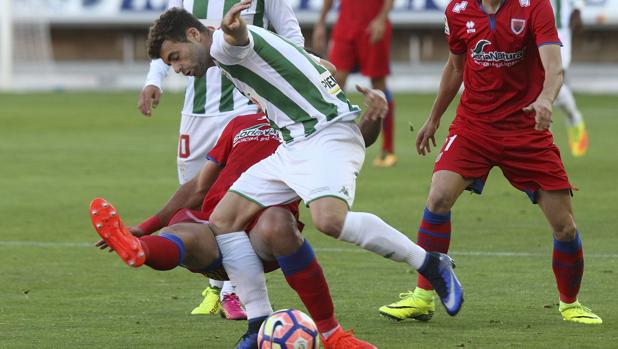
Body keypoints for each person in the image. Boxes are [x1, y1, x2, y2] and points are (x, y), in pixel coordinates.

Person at [146, 4, 464, 346]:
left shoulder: (224, 46)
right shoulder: (233, 57)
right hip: (293, 143)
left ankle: (430, 263)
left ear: (195, 34)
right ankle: (258, 323)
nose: (177, 68)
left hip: (326, 134)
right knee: (224, 219)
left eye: (175, 56)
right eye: (170, 64)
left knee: (329, 221)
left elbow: (237, 39)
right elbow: (312, 63)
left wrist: (233, 29)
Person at [378, 0, 602, 325]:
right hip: (474, 126)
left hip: (526, 129)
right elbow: (456, 67)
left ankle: (570, 304)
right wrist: (434, 118)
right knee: (439, 196)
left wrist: (545, 99)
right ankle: (423, 297)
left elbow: (554, 68)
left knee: (564, 227)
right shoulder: (457, 10)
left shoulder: (534, 7)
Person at [92, 106, 387, 348]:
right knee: (180, 233)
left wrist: (373, 117)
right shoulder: (240, 122)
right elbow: (198, 186)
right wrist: (145, 228)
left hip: (263, 236)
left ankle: (329, 332)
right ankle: (139, 249)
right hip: (217, 227)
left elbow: (357, 138)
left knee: (276, 222)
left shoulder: (310, 128)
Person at [137, 0, 305, 319]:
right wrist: (154, 80)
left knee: (239, 199)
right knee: (198, 198)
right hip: (197, 112)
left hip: (246, 106)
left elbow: (290, 32)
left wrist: (285, 83)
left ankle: (235, 293)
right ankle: (217, 286)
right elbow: (166, 36)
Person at [312, 0, 398, 167]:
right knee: (333, 82)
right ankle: (330, 143)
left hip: (372, 25)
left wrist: (381, 19)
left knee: (378, 85)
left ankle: (387, 149)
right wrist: (320, 23)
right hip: (345, 26)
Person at [551, 0, 588, 157]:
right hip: (532, 31)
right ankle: (544, 142)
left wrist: (578, 10)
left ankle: (574, 119)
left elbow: (577, 5)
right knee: (539, 83)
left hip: (560, 33)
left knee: (555, 80)